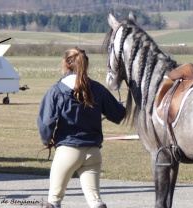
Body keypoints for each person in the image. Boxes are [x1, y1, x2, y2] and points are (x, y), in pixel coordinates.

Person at [37, 47, 126, 208]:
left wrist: (46, 140)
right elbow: (118, 115)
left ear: (66, 64)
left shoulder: (56, 91)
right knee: (95, 201)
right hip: (93, 152)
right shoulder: (97, 88)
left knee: (54, 199)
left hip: (67, 151)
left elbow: (46, 123)